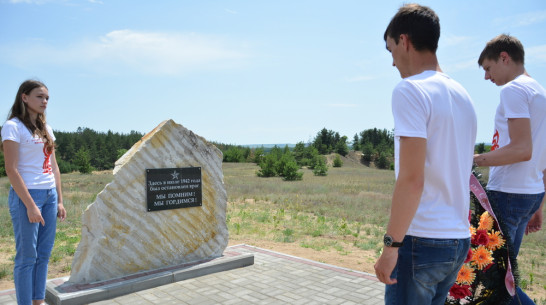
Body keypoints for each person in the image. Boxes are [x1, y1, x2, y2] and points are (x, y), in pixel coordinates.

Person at [374, 4, 477, 304]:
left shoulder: (410, 90)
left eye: (391, 49)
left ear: (404, 41)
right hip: (457, 239)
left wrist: (390, 246)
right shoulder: (463, 95)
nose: (393, 62)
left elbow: (411, 179)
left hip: (421, 240)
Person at [474, 34, 546, 305]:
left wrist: (472, 159)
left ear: (504, 57)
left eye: (488, 68)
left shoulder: (513, 90)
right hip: (529, 194)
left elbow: (521, 150)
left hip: (507, 193)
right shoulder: (540, 92)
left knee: (494, 281)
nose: (486, 77)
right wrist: (539, 206)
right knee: (503, 279)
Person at [1, 80, 66, 305]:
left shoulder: (46, 128)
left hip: (49, 196)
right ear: (24, 97)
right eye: (39, 96)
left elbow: (54, 167)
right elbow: (11, 169)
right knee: (27, 257)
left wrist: (59, 200)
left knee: (44, 254)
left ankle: (38, 301)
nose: (44, 101)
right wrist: (29, 204)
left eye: (47, 98)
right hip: (27, 196)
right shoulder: (13, 126)